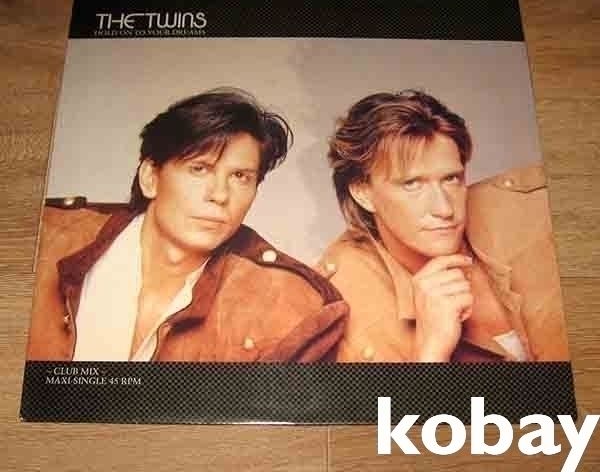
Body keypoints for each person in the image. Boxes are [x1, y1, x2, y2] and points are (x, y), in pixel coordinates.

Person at [27, 88, 348, 362]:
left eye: (240, 177)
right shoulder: (43, 238)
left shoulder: (291, 306)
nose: (219, 195)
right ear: (150, 178)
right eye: (199, 169)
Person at [318, 90, 569, 362]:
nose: (445, 209)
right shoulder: (343, 304)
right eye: (412, 184)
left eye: (451, 179)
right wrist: (431, 351)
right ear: (363, 192)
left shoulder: (534, 208)